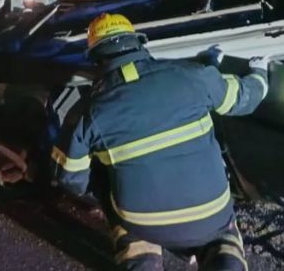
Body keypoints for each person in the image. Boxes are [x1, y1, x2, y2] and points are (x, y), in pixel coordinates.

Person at [50, 13, 270, 270]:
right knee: (223, 236)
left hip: (142, 222)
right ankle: (224, 254)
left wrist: (107, 183)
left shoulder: (87, 112)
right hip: (211, 214)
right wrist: (259, 73)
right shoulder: (193, 77)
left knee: (112, 192)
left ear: (95, 58)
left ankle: (140, 255)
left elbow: (71, 180)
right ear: (139, 43)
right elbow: (245, 99)